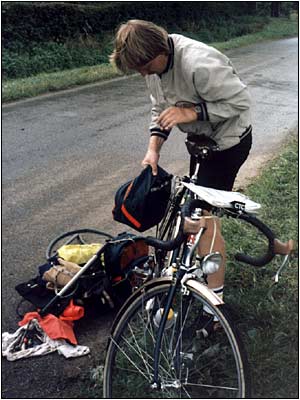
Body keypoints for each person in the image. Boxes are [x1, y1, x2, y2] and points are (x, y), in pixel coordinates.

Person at [110, 19, 252, 309]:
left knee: (201, 221)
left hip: (227, 144)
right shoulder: (154, 65)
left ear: (160, 51)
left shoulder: (199, 63)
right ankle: (196, 270)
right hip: (200, 145)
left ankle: (215, 304)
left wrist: (191, 113)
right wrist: (153, 150)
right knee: (189, 210)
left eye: (145, 68)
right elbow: (160, 108)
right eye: (138, 70)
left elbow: (240, 101)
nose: (142, 74)